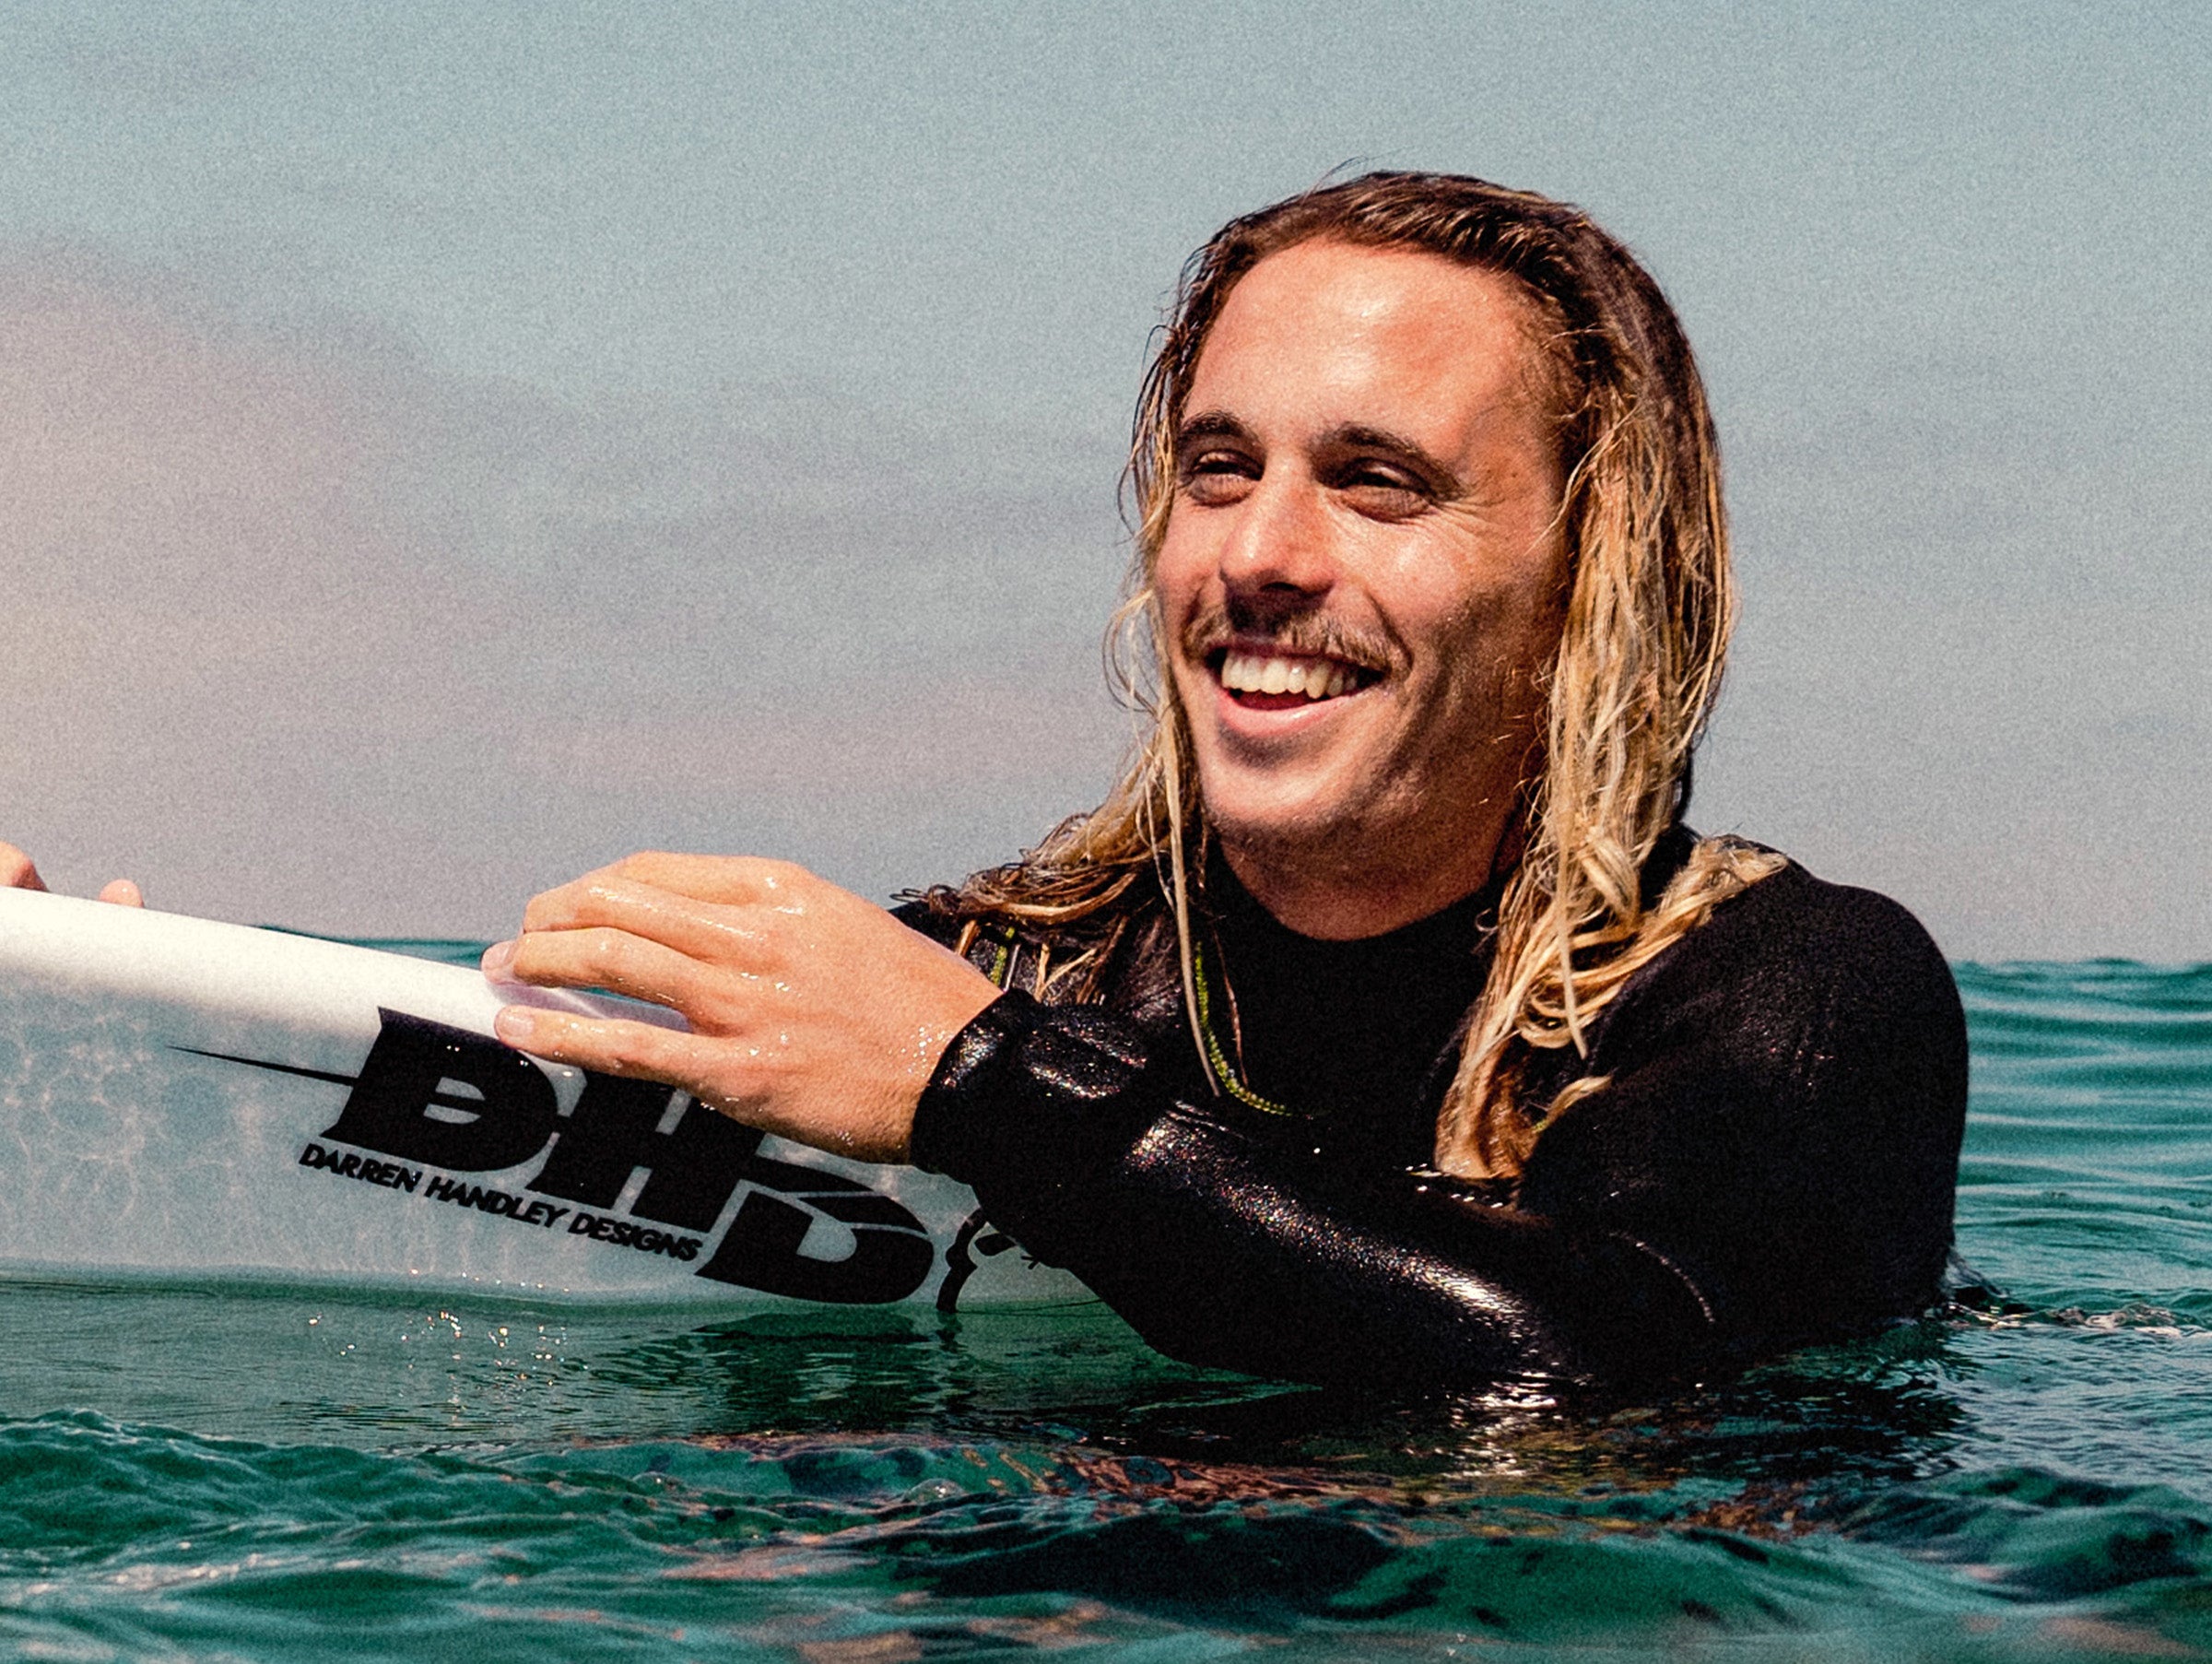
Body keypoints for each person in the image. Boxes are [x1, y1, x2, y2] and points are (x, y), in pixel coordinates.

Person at [6, 172, 1967, 1389]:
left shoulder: (1787, 995)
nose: (1259, 552)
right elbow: (520, 1176)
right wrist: (128, 1037)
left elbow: (1616, 1376)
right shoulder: (1005, 970)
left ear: (1581, 575)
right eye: (1219, 467)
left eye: (1376, 481)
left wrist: (979, 1091)